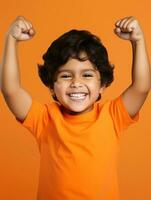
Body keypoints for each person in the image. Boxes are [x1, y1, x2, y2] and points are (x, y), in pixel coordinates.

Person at [1, 16, 150, 200]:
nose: (76, 83)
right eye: (65, 76)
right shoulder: (44, 118)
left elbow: (141, 87)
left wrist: (138, 41)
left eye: (87, 75)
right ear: (51, 85)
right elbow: (10, 90)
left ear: (102, 84)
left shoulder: (113, 115)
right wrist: (10, 40)